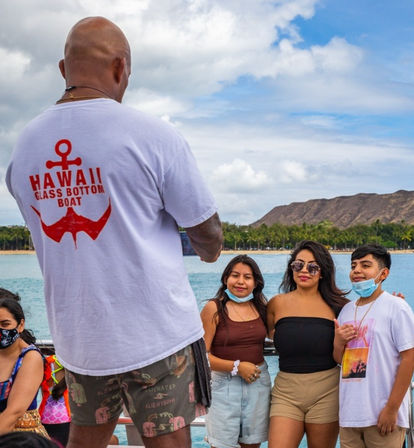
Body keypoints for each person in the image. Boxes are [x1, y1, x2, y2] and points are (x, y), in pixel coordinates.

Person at [6, 16, 222, 448]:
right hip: (157, 336)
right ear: (121, 68)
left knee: (86, 440)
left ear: (63, 70)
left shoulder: (24, 148)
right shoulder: (153, 135)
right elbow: (211, 240)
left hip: (80, 339)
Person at [267, 240, 349, 448]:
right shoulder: (276, 304)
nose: (304, 270)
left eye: (313, 267)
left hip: (327, 391)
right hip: (286, 390)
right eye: (298, 265)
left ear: (322, 272)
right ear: (291, 268)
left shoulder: (340, 307)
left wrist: (393, 304)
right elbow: (263, 330)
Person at [334, 244, 414, 448]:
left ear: (383, 273)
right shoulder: (346, 311)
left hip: (383, 415)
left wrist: (391, 408)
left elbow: (409, 358)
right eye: (353, 265)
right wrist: (338, 342)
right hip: (350, 415)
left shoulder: (397, 307)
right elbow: (339, 360)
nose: (357, 270)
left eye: (365, 265)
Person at [201, 255, 270, 448]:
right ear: (225, 279)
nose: (240, 282)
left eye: (247, 277)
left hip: (258, 382)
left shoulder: (262, 308)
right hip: (224, 386)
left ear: (255, 283)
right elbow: (200, 356)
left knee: (252, 444)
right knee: (222, 445)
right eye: (235, 275)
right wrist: (236, 367)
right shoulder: (213, 308)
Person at [0, 289, 49, 438]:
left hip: (21, 437)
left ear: (20, 325)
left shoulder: (30, 357)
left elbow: (14, 412)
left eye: (5, 324)